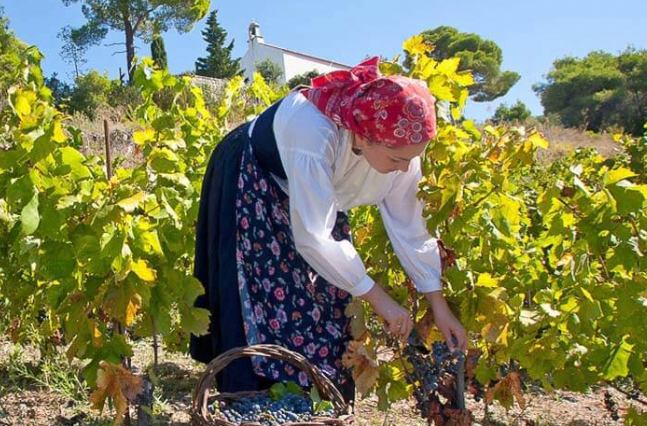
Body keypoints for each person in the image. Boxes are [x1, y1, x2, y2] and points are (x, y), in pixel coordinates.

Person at [189, 56, 468, 399]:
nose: (405, 168)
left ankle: (314, 408)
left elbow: (411, 227)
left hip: (312, 194)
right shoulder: (313, 130)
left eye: (413, 158)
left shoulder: (400, 146)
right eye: (397, 159)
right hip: (252, 176)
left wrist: (437, 304)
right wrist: (379, 299)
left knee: (326, 302)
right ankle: (256, 413)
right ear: (362, 137)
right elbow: (314, 237)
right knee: (258, 297)